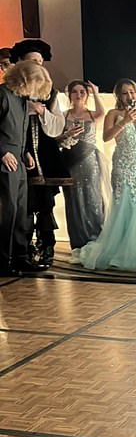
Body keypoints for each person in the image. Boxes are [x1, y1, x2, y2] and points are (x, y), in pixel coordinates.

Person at [77, 79, 136, 271]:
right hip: (124, 165)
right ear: (119, 96)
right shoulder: (114, 113)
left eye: (133, 92)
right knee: (124, 205)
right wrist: (124, 121)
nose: (130, 96)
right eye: (125, 93)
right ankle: (120, 250)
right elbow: (106, 137)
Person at [10, 39, 68, 267]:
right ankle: (21, 251)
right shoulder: (11, 92)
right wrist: (26, 109)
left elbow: (56, 127)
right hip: (17, 154)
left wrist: (41, 113)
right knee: (21, 206)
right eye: (33, 61)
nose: (38, 65)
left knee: (45, 203)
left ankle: (46, 248)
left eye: (40, 61)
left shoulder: (50, 93)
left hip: (44, 154)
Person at [0, 61, 53, 275]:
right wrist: (2, 151)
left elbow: (20, 131)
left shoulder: (22, 100)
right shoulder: (2, 95)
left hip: (18, 160)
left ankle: (20, 257)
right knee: (7, 212)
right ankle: (3, 261)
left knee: (22, 212)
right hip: (4, 161)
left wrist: (25, 153)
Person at [58, 80, 108, 249]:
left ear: (86, 95)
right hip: (69, 161)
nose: (78, 95)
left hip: (89, 162)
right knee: (73, 200)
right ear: (69, 94)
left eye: (82, 92)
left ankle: (96, 239)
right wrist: (67, 135)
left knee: (92, 197)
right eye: (75, 92)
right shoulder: (63, 115)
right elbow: (55, 138)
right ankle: (78, 243)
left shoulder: (93, 114)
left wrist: (95, 92)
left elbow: (103, 112)